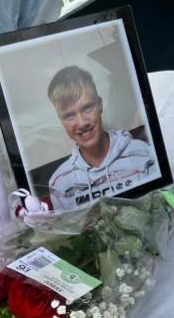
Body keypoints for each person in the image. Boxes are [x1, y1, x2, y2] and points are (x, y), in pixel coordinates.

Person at [46, 66, 157, 210]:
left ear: (100, 105)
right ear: (61, 121)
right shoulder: (59, 183)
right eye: (69, 116)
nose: (82, 123)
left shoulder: (144, 154)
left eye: (87, 108)